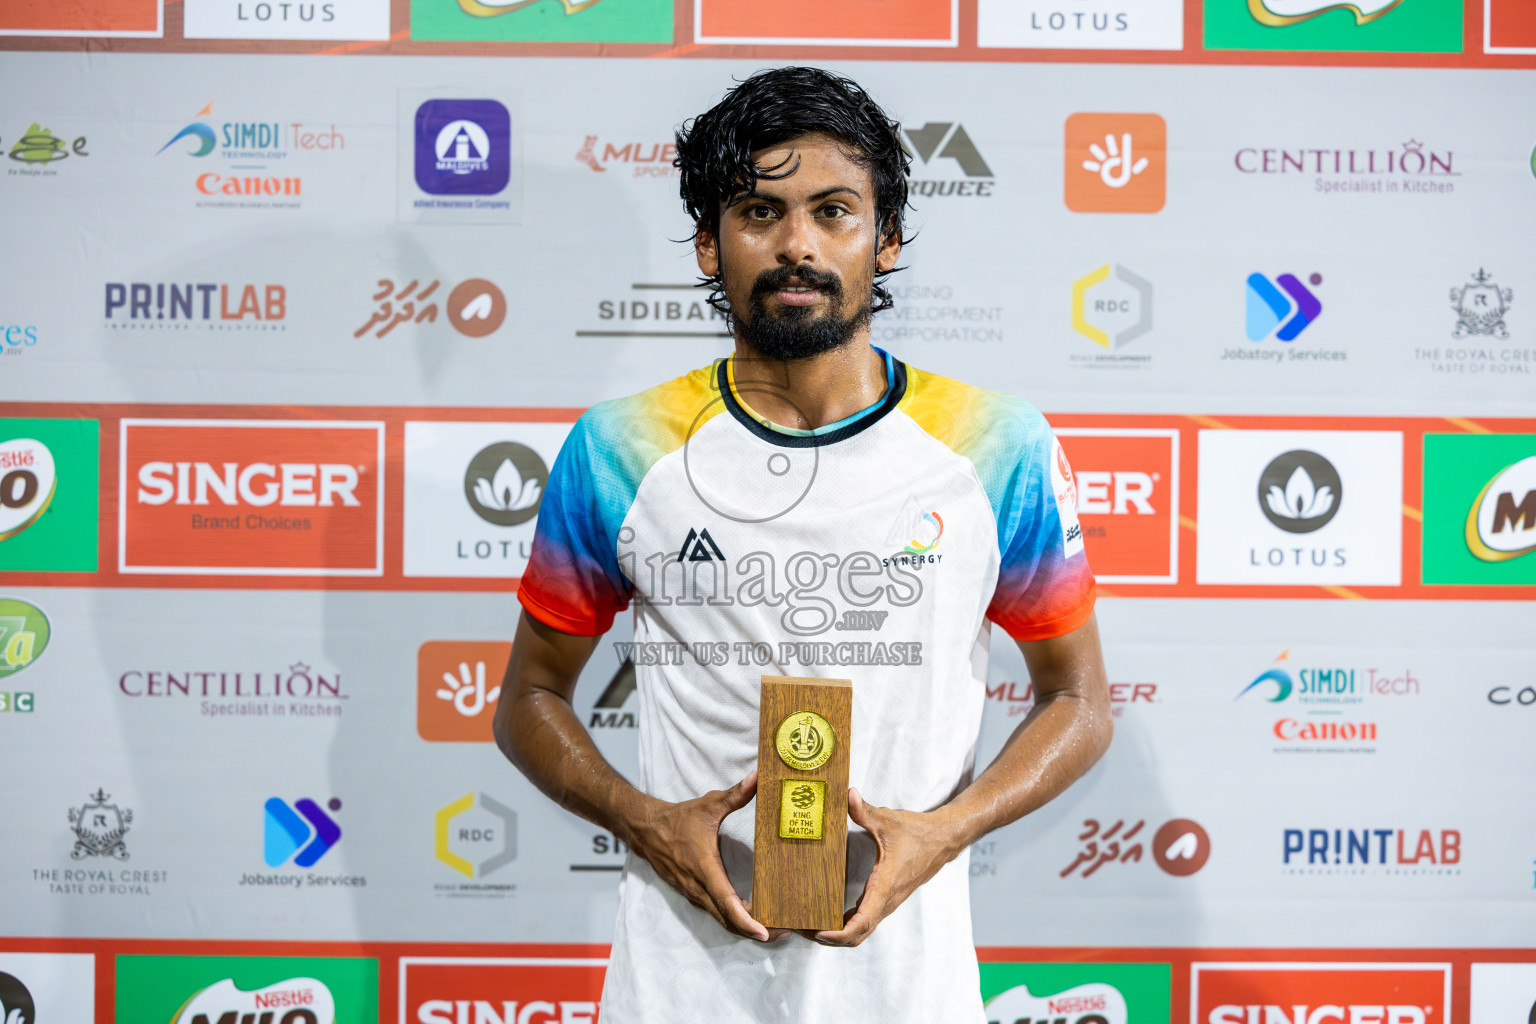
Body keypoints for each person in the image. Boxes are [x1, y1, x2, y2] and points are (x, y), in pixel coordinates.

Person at [493, 66, 1112, 1023]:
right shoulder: (619, 447)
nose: (796, 246)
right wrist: (645, 821)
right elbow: (529, 698)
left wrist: (945, 833)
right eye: (757, 211)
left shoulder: (997, 446)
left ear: (887, 239)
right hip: (678, 989)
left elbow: (1078, 701)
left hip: (910, 990)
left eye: (833, 211)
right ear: (709, 244)